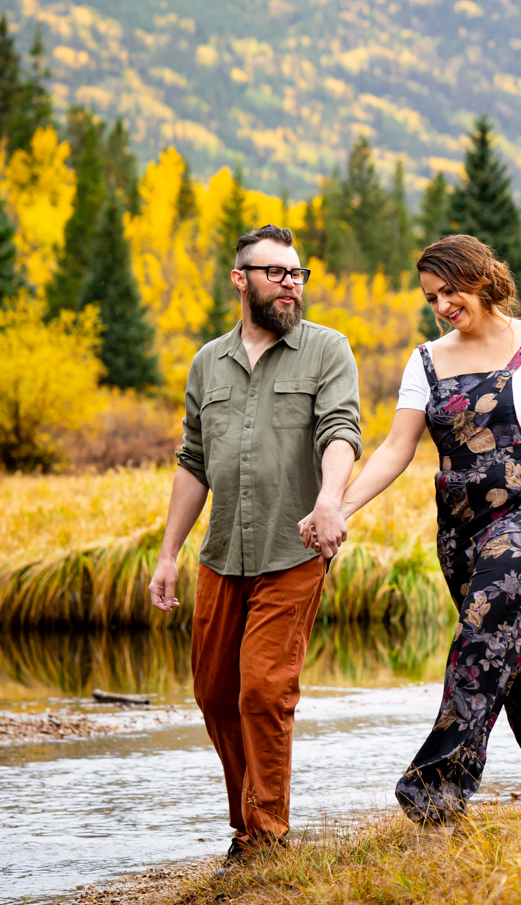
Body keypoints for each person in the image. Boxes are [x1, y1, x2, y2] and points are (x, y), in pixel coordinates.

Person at [301, 233, 521, 826]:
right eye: (431, 297)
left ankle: (434, 790)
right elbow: (396, 449)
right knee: (511, 657)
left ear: (482, 278)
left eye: (451, 290)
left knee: (480, 640)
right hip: (460, 531)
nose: (443, 305)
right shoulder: (425, 359)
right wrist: (337, 505)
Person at [149, 223, 363, 860]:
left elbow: (341, 430)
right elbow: (193, 461)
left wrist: (330, 499)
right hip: (221, 555)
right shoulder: (206, 362)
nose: (291, 284)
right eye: (277, 273)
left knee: (264, 692)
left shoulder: (328, 350)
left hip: (293, 550)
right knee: (215, 694)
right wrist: (168, 554)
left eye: (297, 274)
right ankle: (247, 823)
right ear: (242, 280)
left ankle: (266, 836)